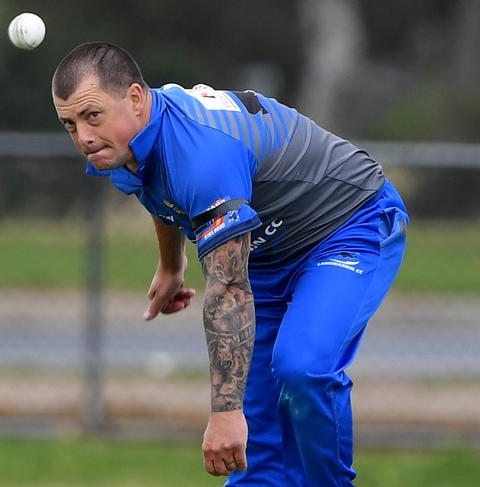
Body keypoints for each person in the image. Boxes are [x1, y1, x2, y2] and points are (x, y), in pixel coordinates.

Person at [52, 41, 408, 487]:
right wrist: (171, 262)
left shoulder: (200, 153)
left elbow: (228, 289)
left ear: (136, 98)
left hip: (347, 224)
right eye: (70, 124)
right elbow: (161, 192)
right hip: (270, 251)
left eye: (92, 116)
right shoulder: (129, 141)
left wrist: (223, 413)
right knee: (255, 453)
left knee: (302, 369)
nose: (82, 137)